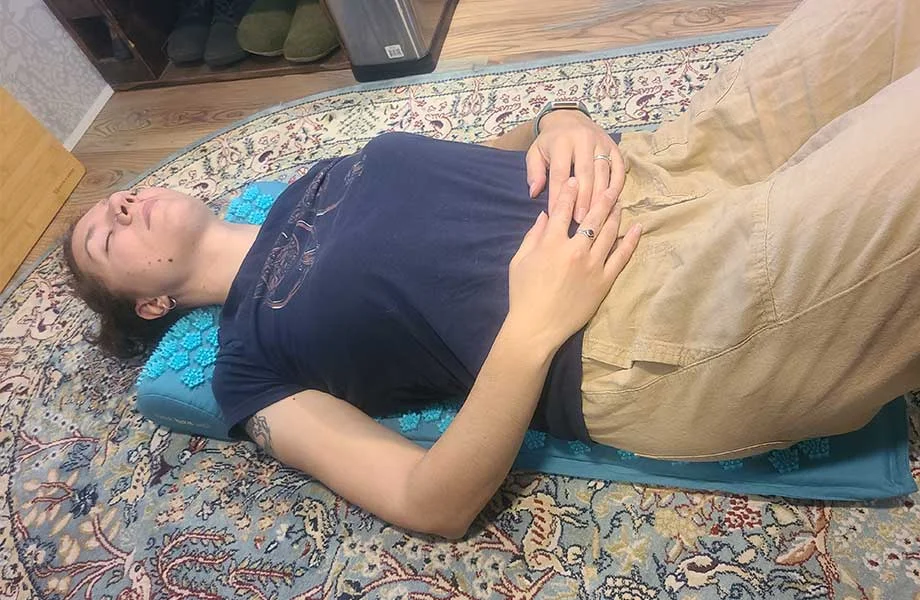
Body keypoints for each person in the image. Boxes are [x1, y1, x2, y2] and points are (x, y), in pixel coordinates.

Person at [65, 0, 920, 539]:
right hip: (650, 324)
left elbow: (480, 164)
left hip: (666, 164)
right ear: (150, 304)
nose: (123, 205)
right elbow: (428, 502)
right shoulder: (248, 370)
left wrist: (558, 118)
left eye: (118, 198)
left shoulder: (311, 180)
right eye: (105, 235)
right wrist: (532, 328)